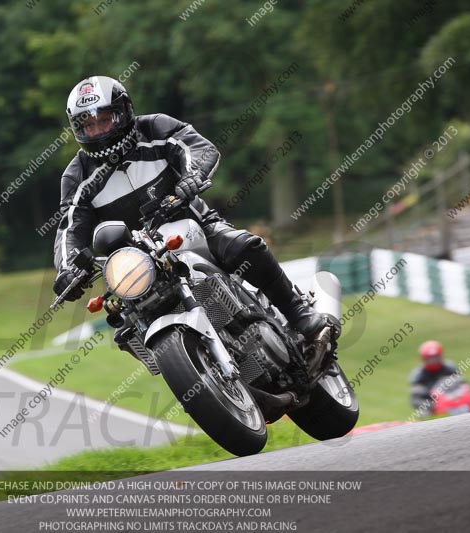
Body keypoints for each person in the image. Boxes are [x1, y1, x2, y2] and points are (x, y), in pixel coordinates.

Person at [51, 76, 338, 368]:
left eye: (105, 120)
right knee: (125, 321)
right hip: (136, 262)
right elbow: (69, 227)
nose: (98, 130)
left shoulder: (154, 128)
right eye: (89, 124)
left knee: (244, 247)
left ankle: (301, 316)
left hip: (193, 225)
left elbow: (198, 149)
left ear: (123, 113)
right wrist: (67, 268)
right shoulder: (78, 176)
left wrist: (192, 177)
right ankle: (196, 368)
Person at [409, 340, 460, 412]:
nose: (433, 361)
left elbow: (462, 385)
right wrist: (431, 406)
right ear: (423, 358)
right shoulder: (418, 375)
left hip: (454, 404)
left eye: (436, 357)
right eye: (430, 358)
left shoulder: (450, 368)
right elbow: (415, 399)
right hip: (433, 410)